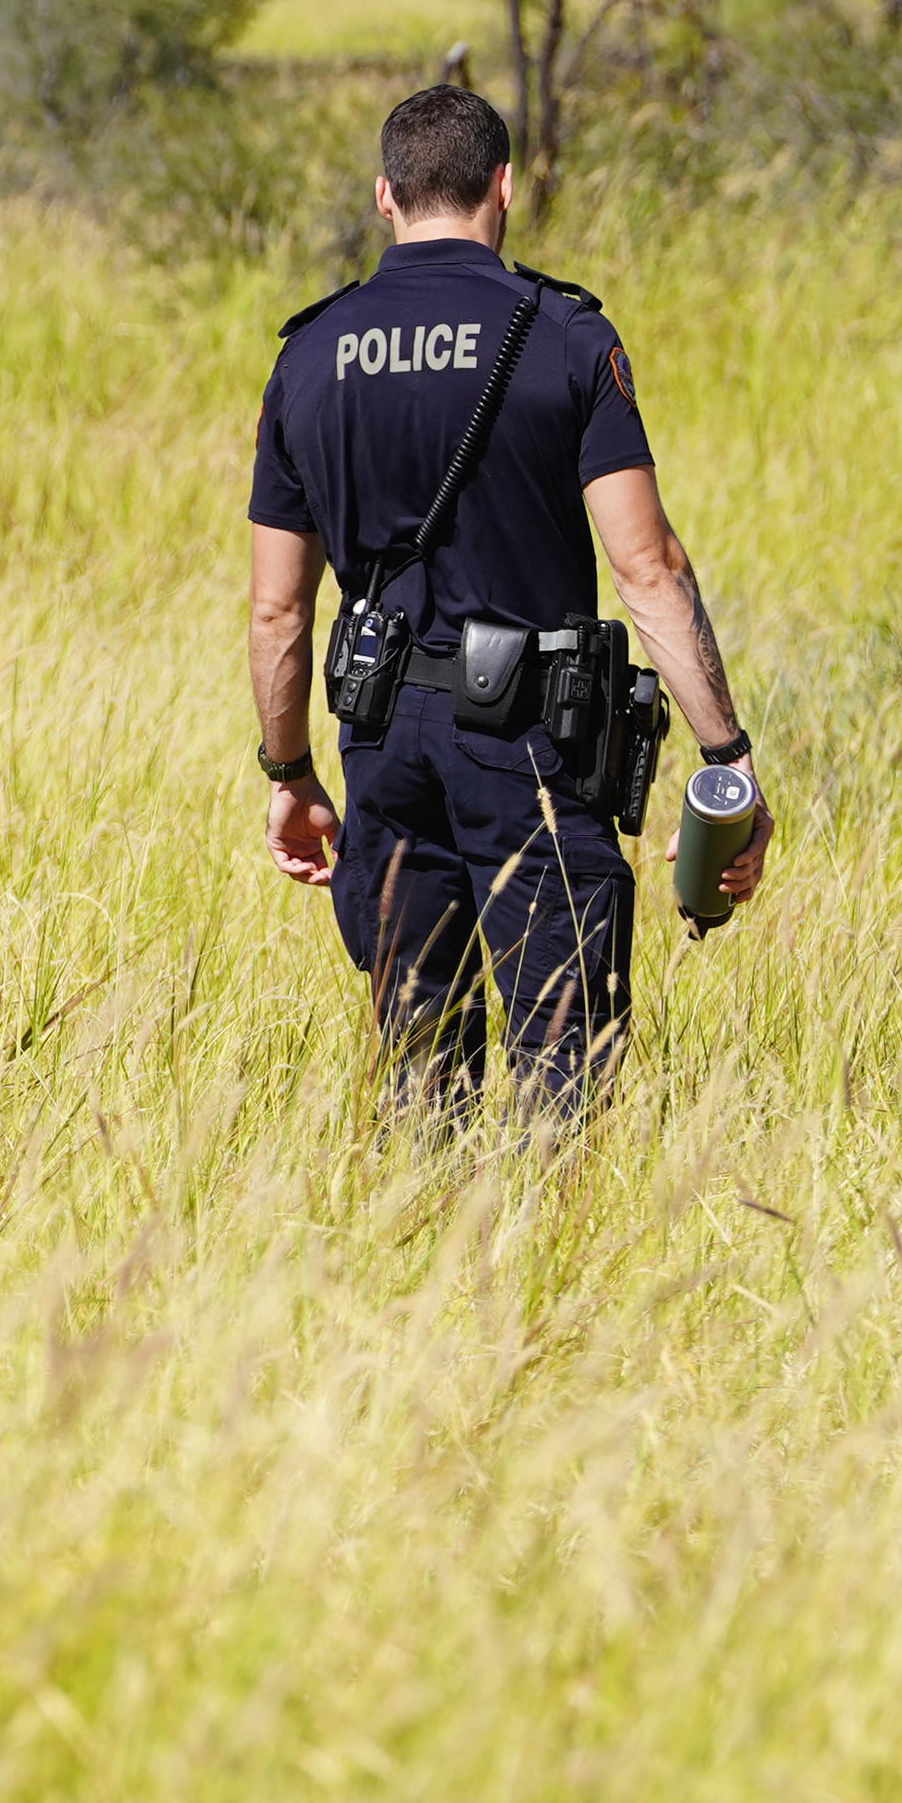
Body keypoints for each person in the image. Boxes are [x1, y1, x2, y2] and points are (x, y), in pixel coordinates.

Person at [246, 82, 765, 1118]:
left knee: (417, 1062)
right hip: (528, 742)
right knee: (559, 1072)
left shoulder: (308, 353)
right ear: (504, 187)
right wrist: (724, 759)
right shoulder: (564, 337)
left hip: (381, 744)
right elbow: (647, 566)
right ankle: (545, 1266)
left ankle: (420, 1262)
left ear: (384, 197)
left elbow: (275, 612)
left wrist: (288, 770)